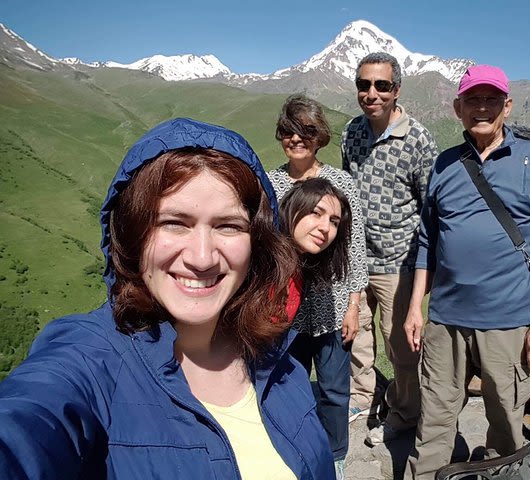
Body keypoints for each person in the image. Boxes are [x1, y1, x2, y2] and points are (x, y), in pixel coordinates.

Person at [0, 117, 334, 479]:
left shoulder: (276, 355)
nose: (202, 257)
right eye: (173, 222)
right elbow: (25, 426)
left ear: (257, 241)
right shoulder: (89, 359)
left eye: (228, 225)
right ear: (133, 234)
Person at [402, 65, 530, 479]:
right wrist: (415, 308)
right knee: (435, 420)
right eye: (472, 100)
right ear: (458, 107)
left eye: (491, 99)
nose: (482, 108)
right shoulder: (443, 165)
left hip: (510, 321)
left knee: (507, 425)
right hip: (446, 321)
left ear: (507, 106)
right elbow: (428, 241)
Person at [268, 95, 368, 479]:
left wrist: (354, 304)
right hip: (283, 309)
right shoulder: (272, 183)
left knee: (333, 389)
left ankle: (336, 455)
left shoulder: (340, 182)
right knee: (285, 386)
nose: (296, 139)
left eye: (306, 132)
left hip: (332, 305)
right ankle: (293, 450)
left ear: (319, 136)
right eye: (289, 132)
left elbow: (354, 245)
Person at [341, 52, 439, 446]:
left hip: (399, 261)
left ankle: (404, 412)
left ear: (396, 89)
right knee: (358, 336)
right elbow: (346, 191)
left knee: (399, 343)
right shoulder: (352, 132)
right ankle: (363, 398)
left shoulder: (417, 138)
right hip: (355, 257)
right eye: (364, 85)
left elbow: (430, 205)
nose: (372, 93)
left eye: (382, 85)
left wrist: (425, 270)